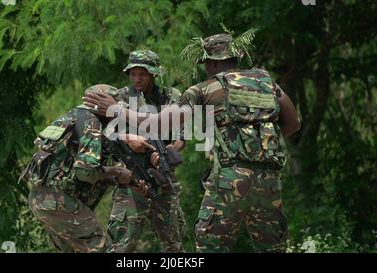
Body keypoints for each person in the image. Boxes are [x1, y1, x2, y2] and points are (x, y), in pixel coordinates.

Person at [84, 30, 301, 252]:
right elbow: (293, 124)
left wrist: (117, 110)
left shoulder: (204, 89)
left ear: (212, 63)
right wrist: (255, 146)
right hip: (269, 178)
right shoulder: (266, 81)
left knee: (209, 245)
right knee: (273, 247)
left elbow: (158, 125)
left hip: (229, 180)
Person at [20, 84, 149, 253]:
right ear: (104, 107)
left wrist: (115, 178)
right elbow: (85, 171)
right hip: (58, 201)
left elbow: (77, 168)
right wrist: (117, 172)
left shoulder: (74, 117)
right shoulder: (92, 123)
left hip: (42, 199)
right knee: (98, 247)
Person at [106, 49, 186, 252]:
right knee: (121, 245)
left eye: (142, 74)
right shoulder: (121, 97)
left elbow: (180, 138)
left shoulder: (170, 97)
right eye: (133, 74)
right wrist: (128, 139)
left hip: (163, 177)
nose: (137, 79)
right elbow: (104, 134)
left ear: (154, 74)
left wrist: (166, 155)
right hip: (132, 178)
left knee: (173, 245)